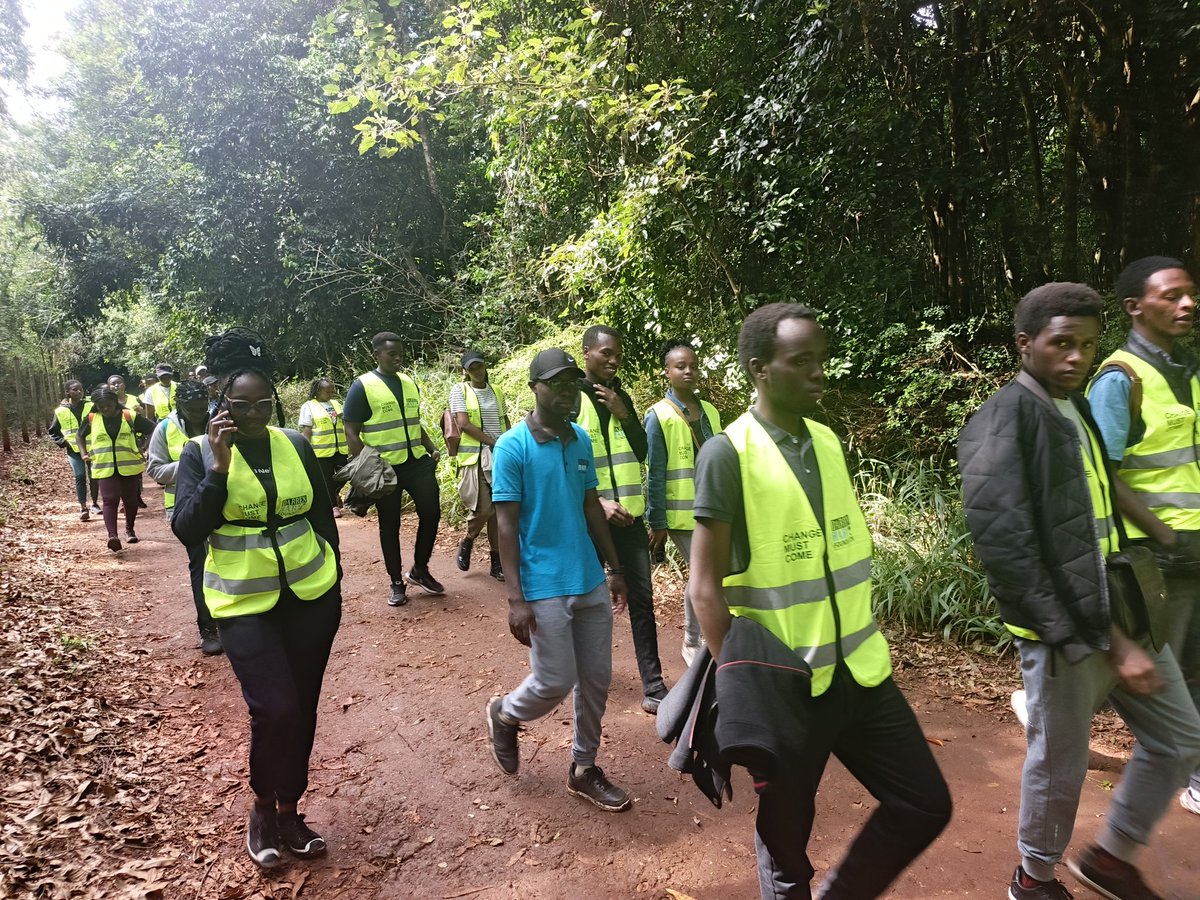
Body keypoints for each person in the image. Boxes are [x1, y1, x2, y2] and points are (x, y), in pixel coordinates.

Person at [690, 303, 952, 900]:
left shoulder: (829, 442)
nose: (819, 374)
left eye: (821, 360)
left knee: (924, 803)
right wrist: (744, 694)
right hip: (787, 688)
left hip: (861, 673)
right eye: (801, 362)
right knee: (786, 845)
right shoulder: (727, 455)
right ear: (760, 369)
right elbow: (704, 588)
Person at [958, 283, 1200, 900]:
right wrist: (1107, 643)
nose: (1076, 358)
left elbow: (1099, 504)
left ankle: (1111, 858)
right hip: (1063, 631)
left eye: (1088, 346)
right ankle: (1032, 878)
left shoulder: (1078, 406)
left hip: (1119, 606)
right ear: (1025, 343)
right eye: (1061, 343)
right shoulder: (1001, 420)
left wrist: (1159, 539)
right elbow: (1010, 554)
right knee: (1059, 760)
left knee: (1180, 738)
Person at [171, 330, 341, 869]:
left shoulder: (294, 443)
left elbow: (321, 516)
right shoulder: (199, 454)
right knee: (276, 708)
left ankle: (291, 811)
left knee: (305, 708)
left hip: (311, 597)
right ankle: (262, 811)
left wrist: (334, 580)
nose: (253, 415)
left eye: (263, 404)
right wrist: (219, 471)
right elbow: (187, 528)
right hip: (243, 604)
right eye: (240, 405)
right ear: (220, 403)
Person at [485, 347, 632, 812]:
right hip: (542, 583)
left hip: (586, 576)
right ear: (535, 388)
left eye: (573, 382)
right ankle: (505, 714)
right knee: (554, 679)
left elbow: (591, 506)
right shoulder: (513, 446)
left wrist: (614, 568)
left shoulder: (581, 439)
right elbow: (505, 523)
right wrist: (515, 599)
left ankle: (584, 768)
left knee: (597, 679)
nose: (568, 390)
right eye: (557, 382)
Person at [1086, 256, 1200, 820]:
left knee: (1193, 667)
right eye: (1172, 296)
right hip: (1159, 556)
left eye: (1190, 295)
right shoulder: (1119, 377)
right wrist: (1162, 534)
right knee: (1162, 674)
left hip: (1195, 551)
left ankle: (1196, 776)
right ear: (1135, 307)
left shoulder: (1188, 371)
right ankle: (1048, 700)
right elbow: (1101, 472)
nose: (1187, 304)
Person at [574, 324, 667, 714]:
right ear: (587, 353)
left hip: (628, 520)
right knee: (586, 602)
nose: (612, 361)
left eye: (617, 355)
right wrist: (598, 502)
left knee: (642, 601)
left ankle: (654, 685)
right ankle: (583, 677)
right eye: (605, 353)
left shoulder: (620, 396)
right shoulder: (571, 397)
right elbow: (563, 462)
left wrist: (624, 412)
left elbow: (642, 452)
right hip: (586, 520)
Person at [343, 331, 443, 607]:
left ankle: (420, 569)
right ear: (376, 354)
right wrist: (365, 466)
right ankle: (396, 582)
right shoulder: (362, 386)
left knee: (432, 513)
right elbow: (351, 430)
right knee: (390, 525)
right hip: (385, 468)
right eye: (392, 354)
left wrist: (431, 446)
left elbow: (412, 421)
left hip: (416, 462)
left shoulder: (409, 382)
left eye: (400, 353)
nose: (398, 358)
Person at [645, 339, 722, 665]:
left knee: (710, 574)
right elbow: (656, 471)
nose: (688, 371)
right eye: (680, 366)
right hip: (680, 514)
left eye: (692, 365)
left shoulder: (711, 411)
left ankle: (705, 637)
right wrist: (657, 521)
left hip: (715, 508)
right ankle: (694, 641)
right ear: (667, 373)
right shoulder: (658, 415)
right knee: (704, 573)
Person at [147, 379, 221, 656]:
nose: (198, 412)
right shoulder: (164, 428)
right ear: (181, 404)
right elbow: (155, 469)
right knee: (200, 563)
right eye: (192, 408)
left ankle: (234, 618)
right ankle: (208, 628)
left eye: (202, 407)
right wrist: (193, 463)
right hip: (186, 505)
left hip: (223, 500)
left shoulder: (219, 419)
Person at [450, 350, 509, 581]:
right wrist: (495, 442)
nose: (477, 371)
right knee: (484, 509)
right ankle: (467, 539)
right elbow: (463, 424)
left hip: (499, 456)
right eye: (472, 368)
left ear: (485, 366)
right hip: (475, 457)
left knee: (498, 512)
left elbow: (505, 421)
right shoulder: (460, 390)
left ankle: (497, 562)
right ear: (465, 371)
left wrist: (511, 444)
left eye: (480, 366)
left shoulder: (497, 391)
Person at [77, 386, 155, 551]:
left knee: (130, 500)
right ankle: (112, 536)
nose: (105, 408)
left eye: (108, 405)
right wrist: (84, 453)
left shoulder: (129, 416)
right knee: (109, 500)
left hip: (129, 465)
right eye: (101, 406)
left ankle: (130, 529)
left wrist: (145, 448)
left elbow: (152, 428)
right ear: (96, 406)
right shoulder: (92, 418)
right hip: (104, 466)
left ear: (115, 402)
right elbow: (79, 435)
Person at [48, 380, 99, 520]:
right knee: (80, 476)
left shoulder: (91, 406)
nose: (78, 392)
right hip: (73, 450)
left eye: (80, 389)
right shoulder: (60, 411)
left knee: (94, 476)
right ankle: (83, 507)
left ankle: (95, 504)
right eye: (75, 390)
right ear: (68, 392)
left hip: (92, 447)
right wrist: (64, 443)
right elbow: (53, 431)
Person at [299, 378, 347, 519]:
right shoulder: (308, 406)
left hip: (340, 448)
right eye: (327, 391)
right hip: (320, 451)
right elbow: (307, 430)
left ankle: (334, 493)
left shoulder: (336, 404)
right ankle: (333, 506)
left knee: (345, 473)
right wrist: (306, 450)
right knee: (326, 479)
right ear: (318, 391)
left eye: (332, 390)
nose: (331, 393)